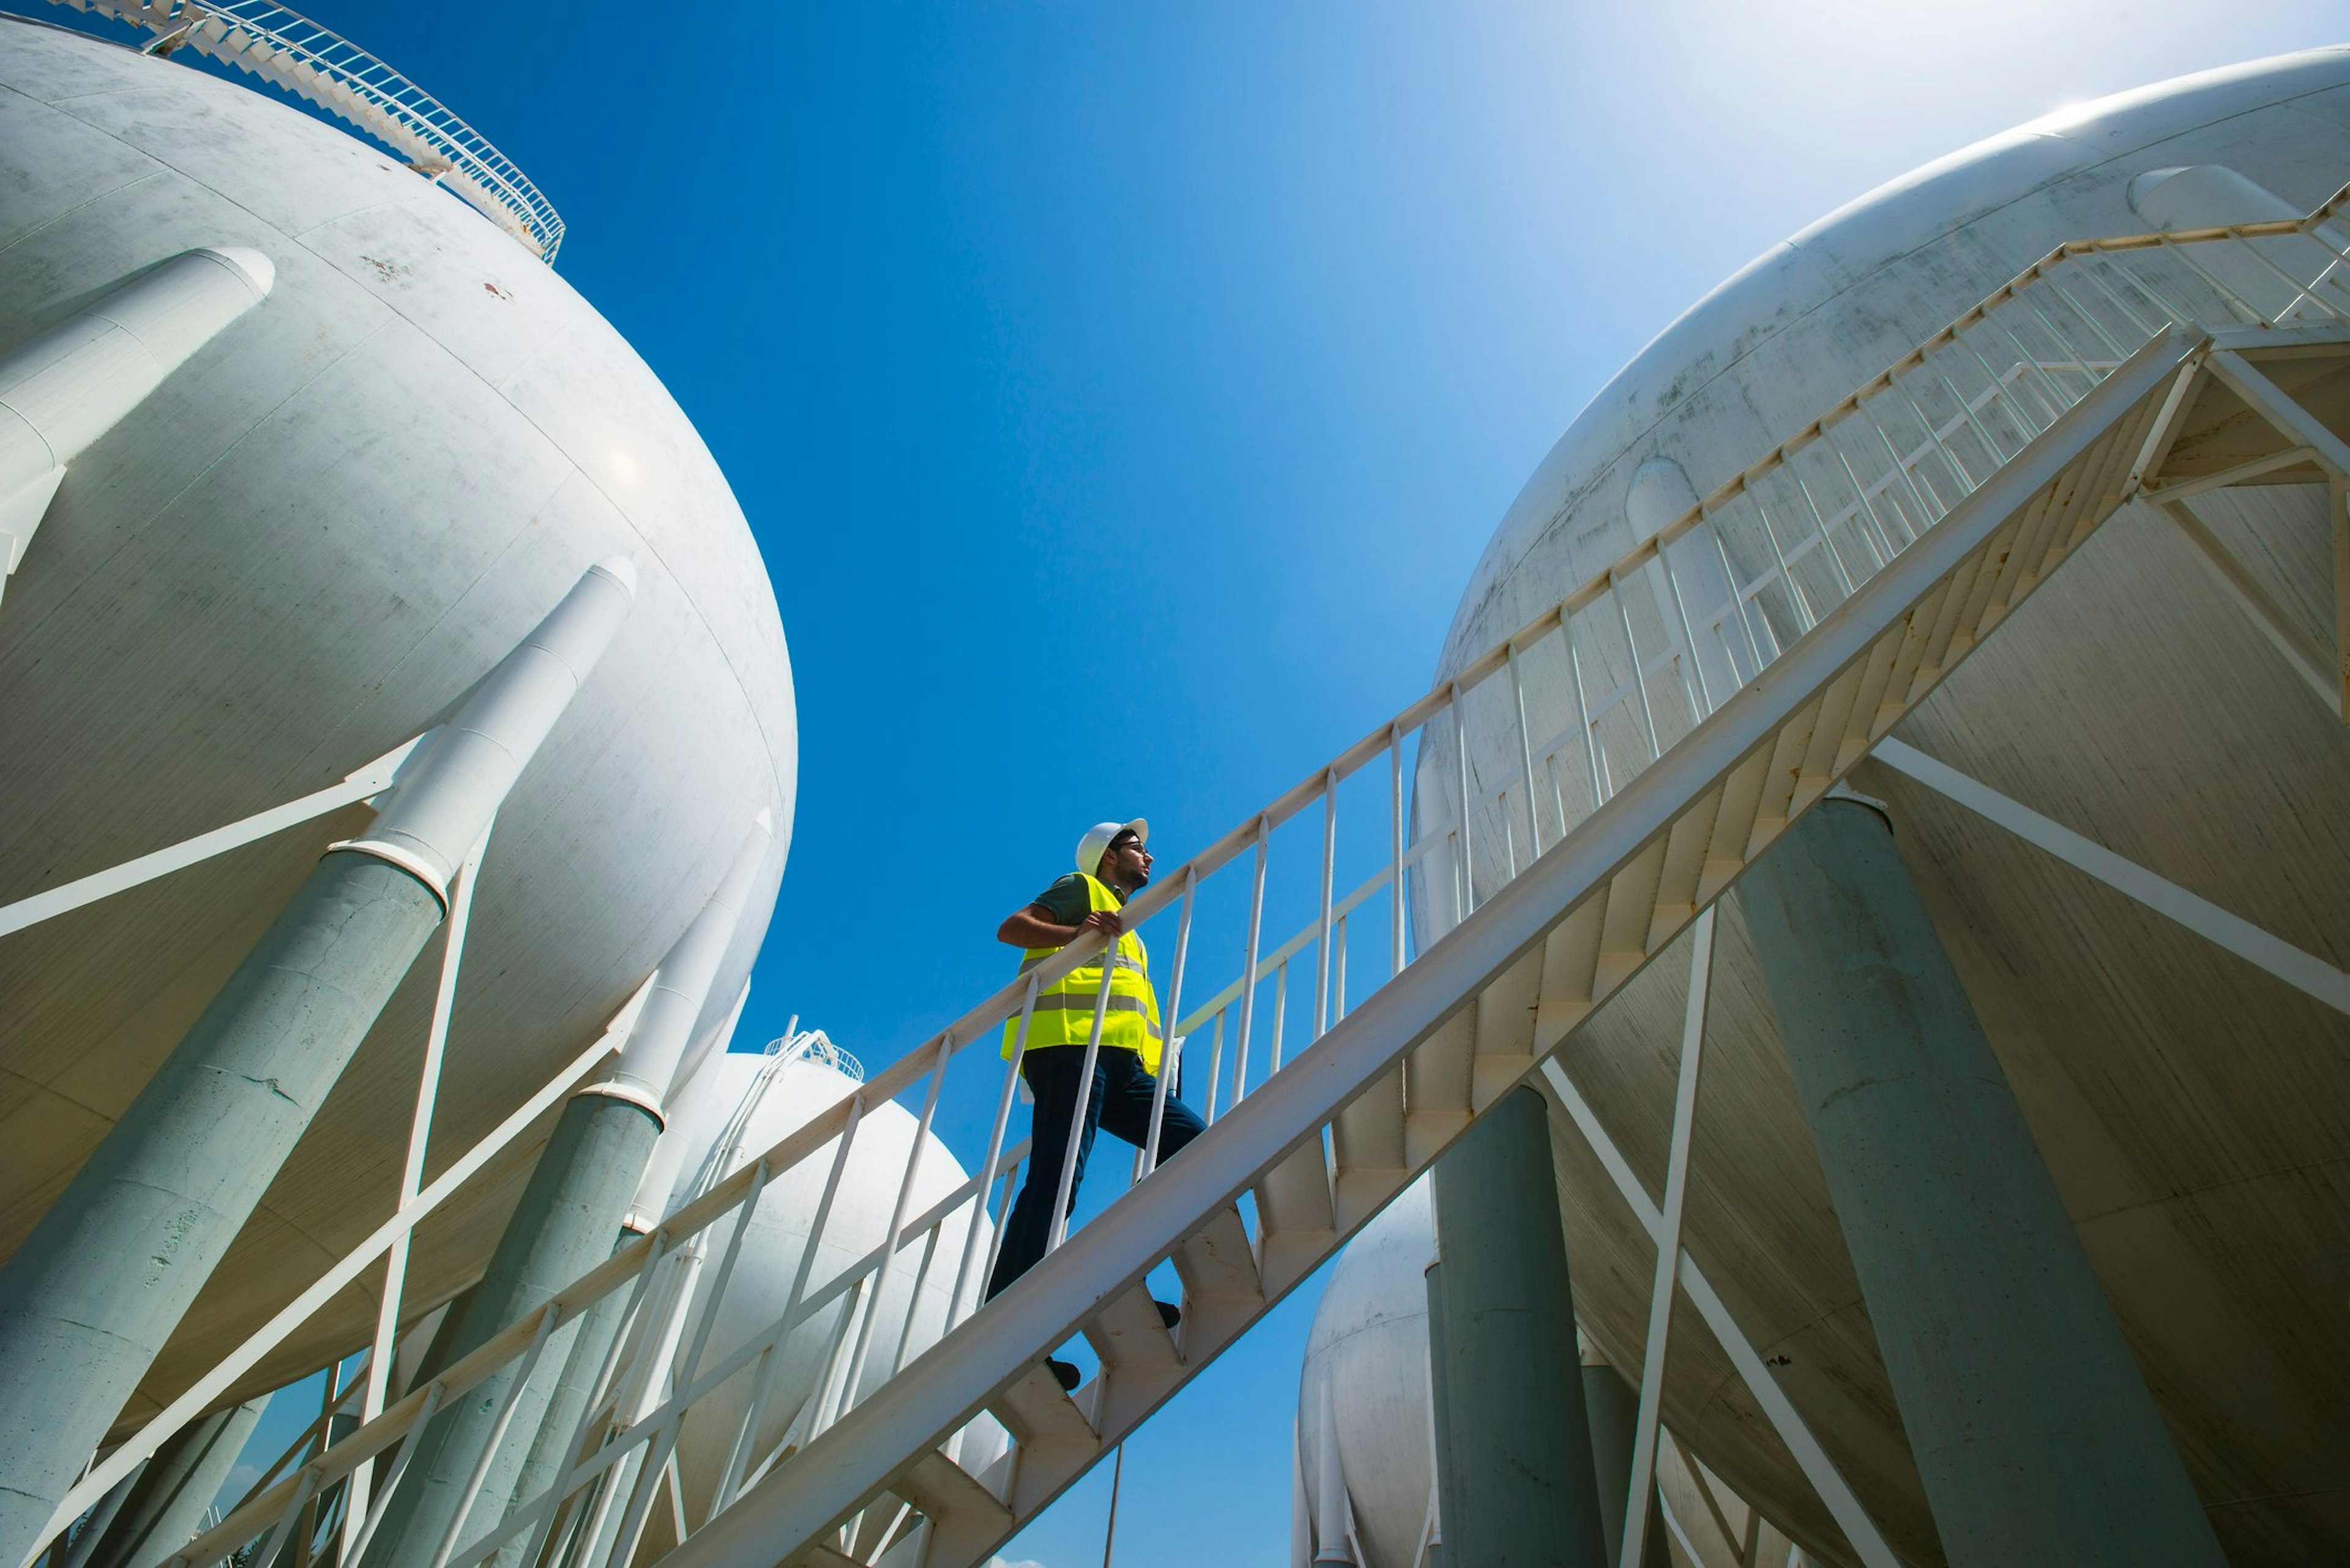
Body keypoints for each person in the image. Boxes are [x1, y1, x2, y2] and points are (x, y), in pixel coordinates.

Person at [984, 819, 1206, 1384]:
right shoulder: (1082, 890)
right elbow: (1012, 928)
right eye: (1138, 848)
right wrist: (1077, 933)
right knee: (1056, 1182)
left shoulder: (1128, 928)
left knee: (1196, 1145)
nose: (1149, 856)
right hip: (1069, 1050)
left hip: (1120, 1066)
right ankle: (1005, 1327)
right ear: (1109, 857)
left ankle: (1122, 1272)